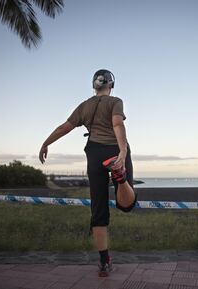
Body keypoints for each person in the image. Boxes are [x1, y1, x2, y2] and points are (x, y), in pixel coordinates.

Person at [38, 69, 138, 277]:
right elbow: (117, 123)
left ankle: (104, 262)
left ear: (94, 86)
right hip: (114, 150)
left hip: (94, 152)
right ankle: (120, 177)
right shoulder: (115, 101)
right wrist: (123, 151)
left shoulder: (84, 106)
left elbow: (64, 128)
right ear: (111, 85)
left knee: (98, 209)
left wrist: (46, 143)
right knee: (127, 204)